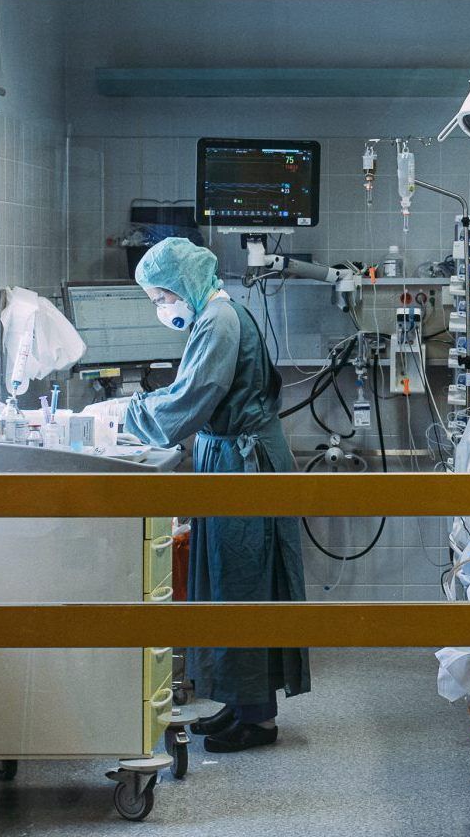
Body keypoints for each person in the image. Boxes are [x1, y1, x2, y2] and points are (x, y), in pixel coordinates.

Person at [124, 237, 310, 753]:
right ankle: (239, 700)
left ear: (182, 283)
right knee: (225, 582)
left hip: (243, 464)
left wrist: (127, 414)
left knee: (245, 585)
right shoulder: (214, 314)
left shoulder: (219, 322)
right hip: (227, 456)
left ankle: (258, 720)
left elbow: (192, 397)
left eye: (162, 296)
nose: (162, 307)